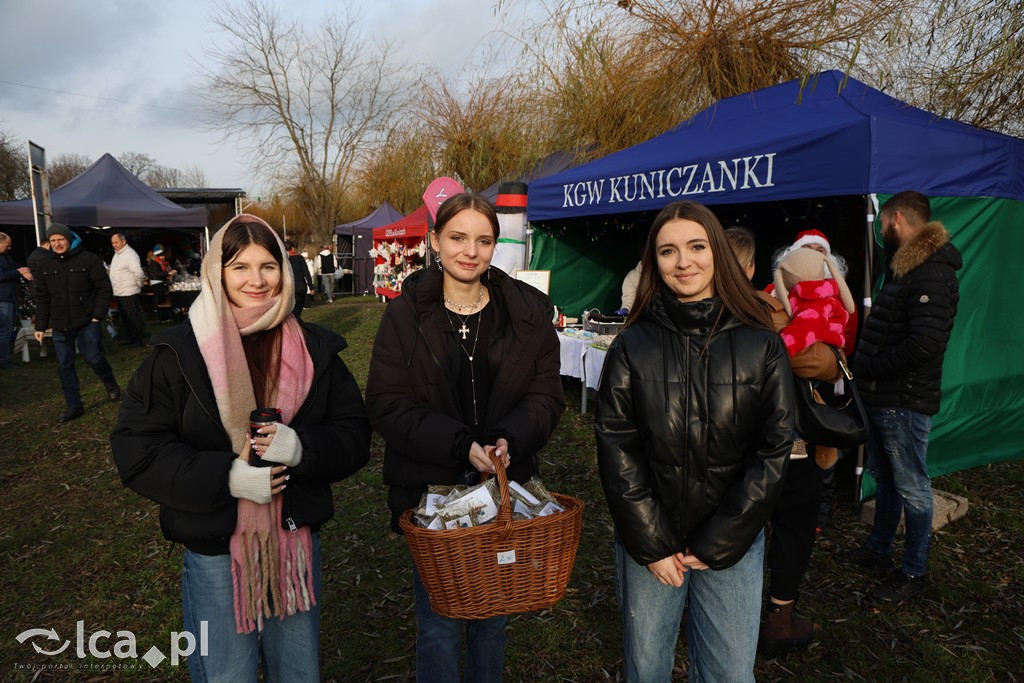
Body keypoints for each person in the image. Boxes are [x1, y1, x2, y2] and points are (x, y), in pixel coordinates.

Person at [110, 215, 371, 680]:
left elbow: (354, 436)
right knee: (226, 673)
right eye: (240, 266)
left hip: (293, 543)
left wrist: (303, 448)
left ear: (285, 271)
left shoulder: (315, 349)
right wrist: (226, 478)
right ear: (218, 272)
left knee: (298, 672)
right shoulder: (178, 353)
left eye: (268, 265)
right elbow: (139, 450)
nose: (256, 279)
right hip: (215, 548)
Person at [365, 192, 565, 682]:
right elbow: (387, 404)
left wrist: (509, 440)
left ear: (496, 246)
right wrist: (458, 445)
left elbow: (546, 395)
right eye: (457, 237)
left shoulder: (526, 314)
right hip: (432, 495)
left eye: (484, 240)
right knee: (438, 624)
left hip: (501, 494)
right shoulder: (405, 315)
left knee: (492, 618)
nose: (470, 251)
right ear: (435, 241)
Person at [595, 201, 794, 682]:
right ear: (654, 262)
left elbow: (774, 447)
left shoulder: (761, 344)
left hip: (733, 542)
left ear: (718, 253)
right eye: (668, 251)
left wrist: (725, 537)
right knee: (646, 671)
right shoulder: (631, 345)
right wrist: (652, 542)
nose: (683, 262)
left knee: (729, 674)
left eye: (696, 246)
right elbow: (617, 447)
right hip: (651, 541)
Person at [724, 231, 845, 657]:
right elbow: (821, 361)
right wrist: (829, 356)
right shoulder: (764, 307)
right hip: (782, 443)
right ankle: (768, 619)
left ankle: (755, 616)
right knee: (783, 527)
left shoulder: (714, 307)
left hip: (745, 442)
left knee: (752, 526)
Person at [839, 191, 961, 604]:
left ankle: (913, 572)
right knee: (887, 477)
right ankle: (878, 549)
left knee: (911, 484)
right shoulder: (908, 267)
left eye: (884, 223)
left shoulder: (931, 272)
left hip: (903, 401)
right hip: (885, 396)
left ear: (894, 219)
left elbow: (925, 344)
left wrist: (869, 367)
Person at [32, 223, 120, 422]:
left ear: (68, 239)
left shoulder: (89, 259)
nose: (57, 243)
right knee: (64, 365)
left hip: (87, 321)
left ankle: (110, 382)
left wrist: (98, 316)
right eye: (53, 241)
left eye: (60, 239)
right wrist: (40, 325)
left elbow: (104, 289)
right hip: (60, 324)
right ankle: (74, 405)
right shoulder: (46, 266)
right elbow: (43, 298)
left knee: (94, 358)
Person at [109, 232, 149, 346]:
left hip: (129, 291)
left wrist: (139, 285)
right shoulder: (118, 254)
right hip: (120, 291)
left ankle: (138, 339)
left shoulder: (130, 255)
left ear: (123, 242)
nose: (114, 245)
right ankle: (130, 338)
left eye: (116, 242)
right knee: (125, 317)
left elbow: (138, 273)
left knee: (133, 316)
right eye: (112, 243)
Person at [0, 232, 33, 369]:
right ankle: (4, 361)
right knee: (4, 332)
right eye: (7, 245)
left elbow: (17, 266)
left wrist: (25, 270)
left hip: (9, 298)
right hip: (2, 299)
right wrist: (19, 272)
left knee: (6, 330)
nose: (9, 248)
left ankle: (5, 359)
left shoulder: (5, 257)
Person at [286, 240, 314, 319]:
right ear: (292, 248)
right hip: (300, 286)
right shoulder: (300, 258)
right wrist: (311, 286)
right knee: (298, 308)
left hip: (289, 286)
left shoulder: (284, 260)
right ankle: (297, 321)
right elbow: (306, 273)